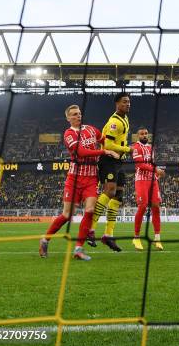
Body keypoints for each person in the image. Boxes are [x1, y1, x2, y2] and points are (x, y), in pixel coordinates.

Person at [39, 105, 119, 260]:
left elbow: (104, 141)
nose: (78, 116)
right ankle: (45, 239)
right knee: (67, 215)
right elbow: (81, 152)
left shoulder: (91, 130)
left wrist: (112, 150)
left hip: (91, 178)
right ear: (68, 118)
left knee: (89, 211)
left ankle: (78, 249)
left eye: (79, 113)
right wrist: (104, 151)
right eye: (74, 114)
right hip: (74, 179)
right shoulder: (69, 134)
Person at [90, 93, 132, 252]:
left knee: (118, 196)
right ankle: (90, 228)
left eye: (129, 102)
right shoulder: (115, 121)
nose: (127, 104)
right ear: (117, 104)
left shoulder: (124, 119)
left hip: (118, 161)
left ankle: (108, 235)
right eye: (124, 102)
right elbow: (108, 144)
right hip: (108, 161)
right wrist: (128, 149)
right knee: (110, 191)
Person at [132, 127, 165, 251]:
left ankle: (157, 238)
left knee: (156, 207)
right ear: (137, 136)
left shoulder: (151, 148)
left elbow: (152, 163)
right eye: (142, 134)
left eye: (146, 133)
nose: (144, 135)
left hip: (153, 180)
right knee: (143, 206)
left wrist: (156, 174)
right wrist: (155, 169)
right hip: (141, 180)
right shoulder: (136, 147)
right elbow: (140, 164)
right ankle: (136, 237)